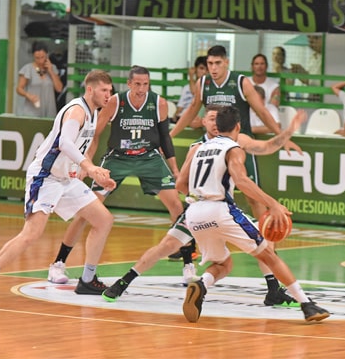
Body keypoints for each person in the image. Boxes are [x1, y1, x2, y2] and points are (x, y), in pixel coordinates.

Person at [102, 105, 307, 305]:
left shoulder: (235, 140)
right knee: (167, 245)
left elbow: (266, 147)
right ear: (204, 122)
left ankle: (273, 290)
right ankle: (124, 281)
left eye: (217, 118)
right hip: (209, 206)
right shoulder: (198, 146)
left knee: (261, 242)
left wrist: (288, 132)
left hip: (201, 210)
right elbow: (183, 184)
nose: (215, 123)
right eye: (210, 118)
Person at [0, 70, 117, 301]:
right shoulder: (77, 110)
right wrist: (90, 166)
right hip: (45, 177)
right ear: (90, 89)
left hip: (66, 179)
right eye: (104, 90)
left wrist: (90, 172)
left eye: (110, 90)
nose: (108, 95)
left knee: (104, 220)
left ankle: (87, 279)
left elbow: (75, 149)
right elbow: (65, 142)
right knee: (31, 234)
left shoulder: (95, 113)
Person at [175, 105, 330, 323]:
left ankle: (201, 284)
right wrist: (273, 204)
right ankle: (307, 304)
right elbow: (242, 181)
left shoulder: (198, 148)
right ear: (238, 126)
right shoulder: (234, 148)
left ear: (217, 126)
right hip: (219, 209)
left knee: (223, 264)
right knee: (269, 255)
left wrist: (202, 192)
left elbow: (181, 184)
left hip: (194, 213)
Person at [170, 45, 301, 299]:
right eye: (210, 63)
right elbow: (191, 110)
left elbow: (262, 110)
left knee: (258, 208)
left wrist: (281, 137)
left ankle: (272, 284)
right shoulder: (204, 82)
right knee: (198, 194)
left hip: (238, 145)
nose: (214, 68)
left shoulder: (241, 83)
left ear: (227, 62)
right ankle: (191, 248)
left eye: (218, 63)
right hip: (211, 147)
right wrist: (170, 135)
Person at [45, 66, 184, 288]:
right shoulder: (115, 102)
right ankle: (58, 263)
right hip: (118, 158)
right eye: (137, 84)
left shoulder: (159, 103)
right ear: (129, 84)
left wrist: (174, 168)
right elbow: (95, 134)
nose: (141, 89)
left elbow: (165, 138)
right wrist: (87, 164)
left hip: (148, 157)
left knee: (177, 205)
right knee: (86, 210)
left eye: (145, 84)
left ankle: (188, 266)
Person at [16, 41, 63, 118]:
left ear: (47, 55)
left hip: (49, 110)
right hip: (32, 111)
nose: (40, 60)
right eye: (37, 58)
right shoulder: (28, 69)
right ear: (33, 56)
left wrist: (51, 71)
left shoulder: (53, 68)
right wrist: (29, 95)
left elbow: (59, 88)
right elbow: (19, 89)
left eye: (42, 57)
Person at [173, 56, 207, 127]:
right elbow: (181, 106)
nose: (204, 72)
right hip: (183, 116)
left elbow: (195, 92)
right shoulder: (186, 88)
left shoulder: (208, 87)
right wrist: (175, 115)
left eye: (206, 70)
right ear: (195, 69)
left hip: (196, 118)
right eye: (201, 68)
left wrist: (191, 77)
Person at [290, 34, 323, 102]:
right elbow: (308, 78)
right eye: (309, 37)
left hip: (323, 97)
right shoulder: (312, 57)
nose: (311, 40)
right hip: (311, 97)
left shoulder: (328, 58)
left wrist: (307, 79)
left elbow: (323, 82)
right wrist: (301, 72)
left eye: (316, 38)